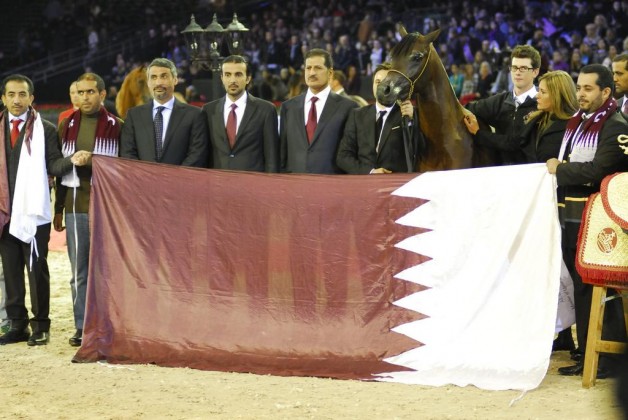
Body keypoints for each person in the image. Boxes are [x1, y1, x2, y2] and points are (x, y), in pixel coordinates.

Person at [547, 64, 628, 379]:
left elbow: (598, 171)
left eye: (588, 88)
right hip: (573, 216)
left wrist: (560, 170)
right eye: (579, 87)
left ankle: (609, 360)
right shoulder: (579, 122)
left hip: (599, 224)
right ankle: (587, 351)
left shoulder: (616, 126)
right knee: (582, 287)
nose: (580, 93)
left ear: (606, 92)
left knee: (602, 288)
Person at [54, 72, 122, 347]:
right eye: (80, 92)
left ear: (102, 94)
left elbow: (123, 169)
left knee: (107, 270)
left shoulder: (118, 126)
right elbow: (59, 170)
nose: (84, 97)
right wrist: (58, 208)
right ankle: (82, 326)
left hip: (107, 210)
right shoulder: (65, 124)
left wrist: (93, 160)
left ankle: (108, 324)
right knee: (79, 272)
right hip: (75, 208)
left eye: (90, 92)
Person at [0, 74, 66, 346]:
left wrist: (73, 161)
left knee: (36, 268)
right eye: (11, 94)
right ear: (3, 98)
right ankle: (18, 325)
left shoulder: (46, 129)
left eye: (22, 94)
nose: (17, 100)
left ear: (31, 98)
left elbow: (54, 165)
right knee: (11, 270)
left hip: (34, 212)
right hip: (4, 212)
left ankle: (41, 325)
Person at [279, 48, 357, 174]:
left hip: (332, 182)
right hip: (295, 181)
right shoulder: (288, 107)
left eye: (318, 68)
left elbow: (352, 153)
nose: (312, 73)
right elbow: (282, 154)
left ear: (330, 73)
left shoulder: (348, 107)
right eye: (308, 68)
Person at [120, 58, 208, 167]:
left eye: (164, 76)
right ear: (148, 82)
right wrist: (144, 175)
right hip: (142, 177)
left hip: (181, 177)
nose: (158, 83)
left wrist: (173, 176)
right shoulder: (133, 115)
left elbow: (197, 154)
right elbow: (127, 153)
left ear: (175, 80)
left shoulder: (195, 114)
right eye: (153, 77)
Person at [336, 62, 421, 174]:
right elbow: (343, 156)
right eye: (378, 82)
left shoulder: (409, 114)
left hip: (395, 181)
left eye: (387, 82)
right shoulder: (357, 115)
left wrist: (411, 120)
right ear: (373, 85)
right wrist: (370, 172)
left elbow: (419, 151)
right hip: (364, 182)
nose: (381, 86)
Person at [463, 45, 541, 165]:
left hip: (532, 172)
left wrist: (479, 134)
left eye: (523, 68)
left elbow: (516, 144)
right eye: (514, 68)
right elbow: (469, 108)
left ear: (535, 72)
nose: (517, 73)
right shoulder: (500, 101)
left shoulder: (542, 104)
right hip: (501, 171)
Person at [201, 55, 279, 172]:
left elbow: (272, 157)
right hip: (218, 180)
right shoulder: (208, 110)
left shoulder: (266, 110)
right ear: (222, 78)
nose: (232, 80)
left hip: (252, 181)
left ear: (248, 78)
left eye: (238, 74)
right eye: (228, 75)